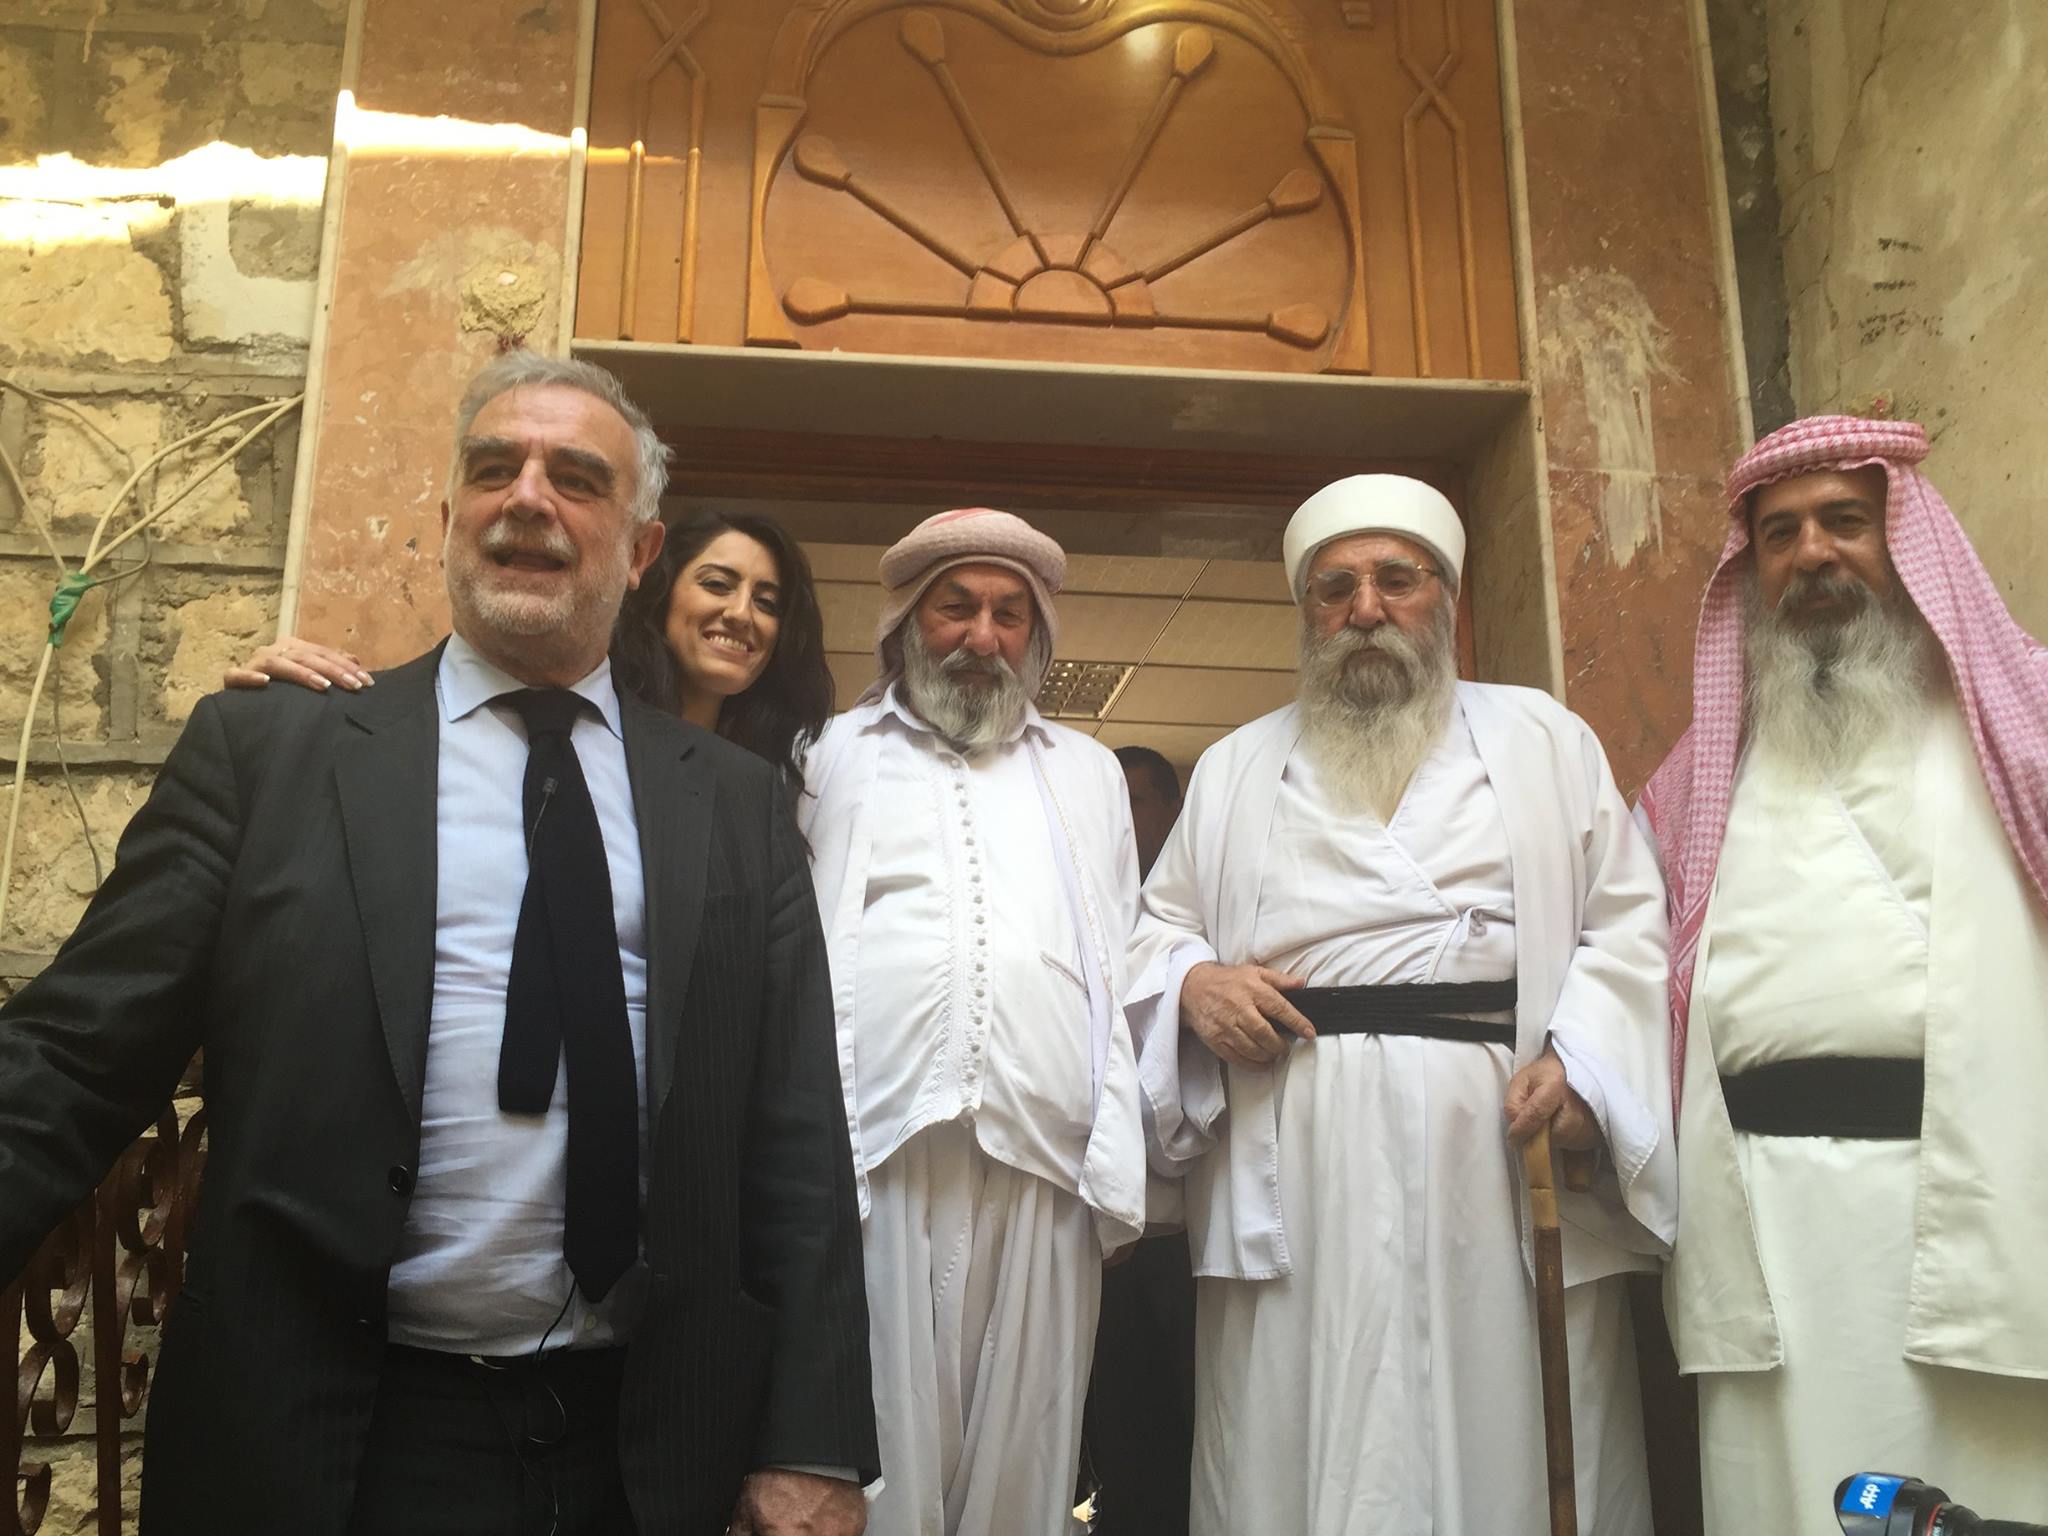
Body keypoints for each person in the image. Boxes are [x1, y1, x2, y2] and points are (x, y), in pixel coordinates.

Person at [0, 352, 876, 1536]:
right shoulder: (273, 754)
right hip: (331, 1440)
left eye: (576, 477)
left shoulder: (730, 805)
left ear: (640, 549)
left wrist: (812, 1439)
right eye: (490, 470)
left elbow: (795, 1140)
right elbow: (75, 1055)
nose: (527, 496)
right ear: (448, 518)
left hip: (644, 1446)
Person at [1126, 474, 1676, 1535]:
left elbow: (1627, 926)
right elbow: (1155, 933)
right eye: (1332, 589)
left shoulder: (1541, 741)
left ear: (1448, 600)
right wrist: (1194, 985)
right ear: (1305, 613)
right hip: (1294, 1151)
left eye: (1394, 580)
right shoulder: (1239, 766)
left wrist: (1581, 1071)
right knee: (1294, 1429)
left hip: (1494, 1148)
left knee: (1505, 1433)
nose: (1363, 609)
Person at [1639, 415, 2048, 1530]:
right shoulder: (1693, 786)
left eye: (1843, 522)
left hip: (1976, 1195)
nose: (1810, 554)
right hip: (1766, 1226)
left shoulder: (2025, 727)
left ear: (1903, 538)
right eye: (1777, 535)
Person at [798, 507, 1147, 1536]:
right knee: (870, 1456)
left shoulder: (1086, 773)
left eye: (1007, 613)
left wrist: (1120, 1152)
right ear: (908, 620)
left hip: (1044, 1150)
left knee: (1024, 1466)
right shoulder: (829, 753)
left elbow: (1120, 954)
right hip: (876, 1147)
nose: (980, 636)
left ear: (1034, 637)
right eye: (956, 607)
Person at [230, 508, 835, 791]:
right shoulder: (561, 717)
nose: (740, 613)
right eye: (717, 584)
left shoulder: (782, 783)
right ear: (657, 591)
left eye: (768, 601)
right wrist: (276, 698)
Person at [1080, 746, 1196, 1536]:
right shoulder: (1083, 903)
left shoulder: (1198, 923)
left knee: (1188, 1411)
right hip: (1104, 1230)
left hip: (1190, 1232)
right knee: (1114, 1418)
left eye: (1140, 800)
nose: (1124, 818)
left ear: (1171, 812)